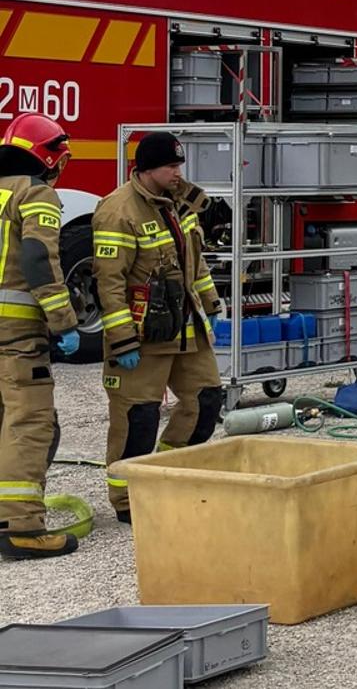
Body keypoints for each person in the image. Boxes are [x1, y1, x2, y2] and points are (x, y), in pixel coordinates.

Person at [94, 131, 223, 524]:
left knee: (206, 401)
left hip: (186, 330)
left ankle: (170, 475)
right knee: (139, 418)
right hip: (143, 337)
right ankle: (128, 499)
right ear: (147, 168)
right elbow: (109, 282)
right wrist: (121, 339)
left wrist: (212, 303)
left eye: (179, 165)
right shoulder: (118, 211)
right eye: (171, 165)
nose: (177, 172)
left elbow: (194, 263)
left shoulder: (180, 203)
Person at [0, 113, 82, 559]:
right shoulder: (36, 194)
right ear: (49, 157)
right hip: (15, 334)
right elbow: (38, 259)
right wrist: (64, 322)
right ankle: (21, 528)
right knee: (29, 424)